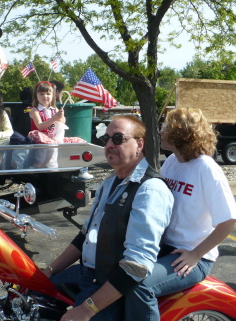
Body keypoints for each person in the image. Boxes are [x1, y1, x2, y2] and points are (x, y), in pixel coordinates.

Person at [43, 115, 173, 321]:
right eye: (106, 139)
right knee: (32, 296)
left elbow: (137, 265)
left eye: (118, 138)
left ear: (139, 144)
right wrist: (49, 270)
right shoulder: (110, 183)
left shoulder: (150, 190)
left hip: (110, 284)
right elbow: (86, 235)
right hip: (88, 273)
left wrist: (86, 311)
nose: (110, 144)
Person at [139, 107, 236, 311]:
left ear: (180, 134)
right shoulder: (171, 162)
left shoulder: (206, 168)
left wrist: (195, 254)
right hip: (165, 247)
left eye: (166, 127)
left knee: (140, 285)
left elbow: (231, 220)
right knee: (118, 274)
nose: (160, 132)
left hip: (192, 257)